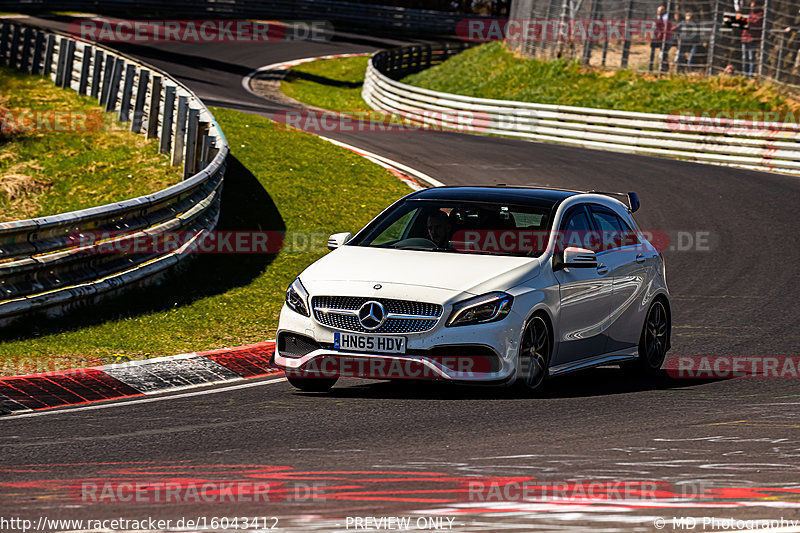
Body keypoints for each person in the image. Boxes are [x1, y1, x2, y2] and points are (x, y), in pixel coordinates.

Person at [738, 1, 763, 77]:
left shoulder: (761, 14)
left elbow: (756, 23)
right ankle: (744, 74)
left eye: (754, 6)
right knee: (744, 57)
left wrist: (746, 21)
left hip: (753, 38)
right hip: (745, 37)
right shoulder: (749, 13)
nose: (752, 7)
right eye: (751, 6)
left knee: (751, 57)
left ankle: (750, 75)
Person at [649, 5, 674, 72]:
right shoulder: (656, 17)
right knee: (654, 51)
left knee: (663, 53)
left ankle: (664, 69)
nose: (659, 12)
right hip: (657, 37)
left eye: (661, 11)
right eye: (658, 11)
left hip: (666, 38)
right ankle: (650, 68)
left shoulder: (666, 17)